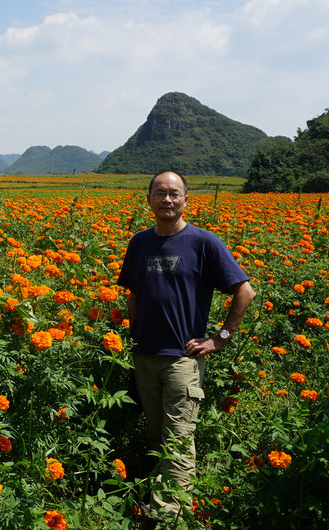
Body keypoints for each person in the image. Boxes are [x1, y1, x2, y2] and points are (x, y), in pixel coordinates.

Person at [116, 170, 255, 525]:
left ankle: (165, 516)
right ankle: (162, 497)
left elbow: (245, 291)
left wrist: (220, 339)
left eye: (174, 194)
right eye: (160, 193)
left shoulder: (203, 242)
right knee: (156, 433)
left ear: (186, 200)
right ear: (148, 199)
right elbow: (132, 293)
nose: (167, 199)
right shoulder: (139, 243)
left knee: (177, 440)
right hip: (145, 355)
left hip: (183, 359)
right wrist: (133, 338)